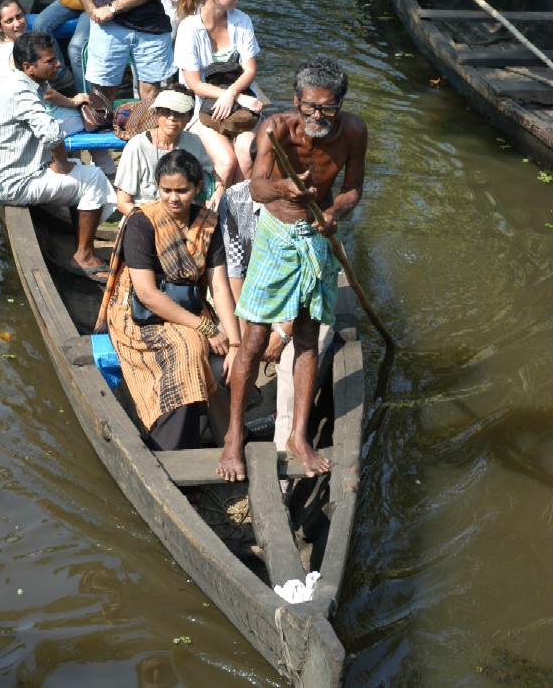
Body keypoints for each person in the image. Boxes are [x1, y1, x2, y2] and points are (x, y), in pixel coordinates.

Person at [216, 55, 368, 482]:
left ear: (340, 102)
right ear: (296, 100)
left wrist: (335, 210)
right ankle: (233, 436)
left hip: (316, 237)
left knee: (306, 334)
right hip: (274, 235)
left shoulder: (354, 131)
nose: (318, 116)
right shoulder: (276, 128)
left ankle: (299, 435)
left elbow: (354, 187)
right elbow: (258, 185)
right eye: (309, 107)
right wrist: (280, 187)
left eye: (327, 108)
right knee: (255, 338)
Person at [95, 149, 241, 451]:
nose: (173, 198)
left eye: (182, 191)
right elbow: (147, 294)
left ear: (198, 188)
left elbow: (219, 286)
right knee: (188, 347)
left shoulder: (208, 224)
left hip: (188, 308)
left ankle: (203, 430)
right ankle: (171, 446)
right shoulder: (141, 222)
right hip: (137, 315)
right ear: (157, 187)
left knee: (218, 355)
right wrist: (207, 329)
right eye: (166, 190)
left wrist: (236, 343)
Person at [218, 140, 333, 458]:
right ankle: (233, 434)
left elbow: (309, 281)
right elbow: (235, 268)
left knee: (296, 360)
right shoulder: (236, 199)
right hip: (252, 300)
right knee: (239, 356)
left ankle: (288, 447)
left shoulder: (311, 207)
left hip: (298, 304)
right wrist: (242, 338)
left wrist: (281, 332)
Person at [0, 31, 116, 281]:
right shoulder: (20, 91)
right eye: (50, 61)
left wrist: (62, 163)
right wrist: (61, 164)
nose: (57, 64)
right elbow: (52, 135)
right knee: (94, 178)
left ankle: (79, 240)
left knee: (79, 169)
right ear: (28, 67)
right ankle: (84, 257)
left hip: (6, 174)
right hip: (11, 183)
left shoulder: (26, 82)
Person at [0, 0, 115, 177]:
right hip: (28, 120)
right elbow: (45, 93)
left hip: (14, 115)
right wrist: (73, 101)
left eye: (19, 17)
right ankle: (109, 174)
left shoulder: (0, 46)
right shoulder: (15, 54)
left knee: (81, 117)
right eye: (9, 21)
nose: (17, 24)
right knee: (91, 120)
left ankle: (81, 171)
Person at [173, 0, 263, 188]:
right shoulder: (188, 28)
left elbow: (250, 69)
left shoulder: (242, 20)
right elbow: (193, 83)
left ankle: (240, 214)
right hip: (200, 104)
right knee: (226, 162)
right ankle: (218, 216)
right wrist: (231, 96)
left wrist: (232, 94)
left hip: (239, 99)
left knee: (245, 155)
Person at [114, 89, 224, 216]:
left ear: (189, 117)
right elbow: (123, 203)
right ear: (156, 114)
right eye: (165, 112)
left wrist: (219, 188)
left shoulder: (194, 141)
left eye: (179, 113)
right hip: (144, 216)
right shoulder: (137, 146)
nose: (172, 118)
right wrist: (150, 221)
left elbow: (211, 173)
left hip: (184, 216)